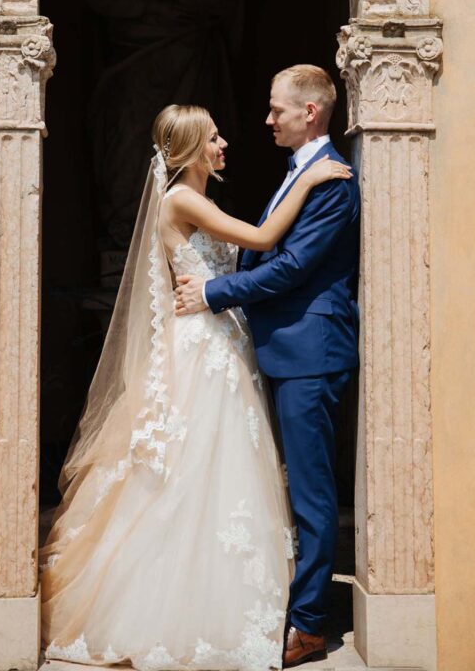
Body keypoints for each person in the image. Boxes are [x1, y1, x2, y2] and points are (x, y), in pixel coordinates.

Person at [39, 103, 351, 671]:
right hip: (202, 348)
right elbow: (260, 240)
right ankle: (172, 605)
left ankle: (222, 594)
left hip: (221, 341)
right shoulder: (181, 199)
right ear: (188, 150)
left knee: (219, 469)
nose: (224, 144)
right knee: (192, 469)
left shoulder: (199, 201)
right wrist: (307, 178)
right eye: (213, 138)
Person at [174, 66, 361, 668]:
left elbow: (293, 267)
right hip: (281, 352)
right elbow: (267, 245)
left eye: (276, 109)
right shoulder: (300, 174)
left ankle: (308, 624)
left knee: (310, 494)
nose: (267, 119)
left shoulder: (329, 181)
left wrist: (212, 294)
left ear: (309, 112)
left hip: (311, 353)